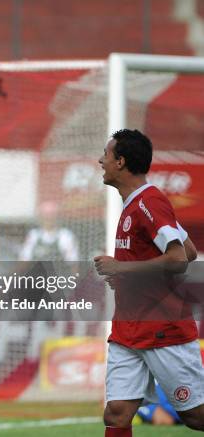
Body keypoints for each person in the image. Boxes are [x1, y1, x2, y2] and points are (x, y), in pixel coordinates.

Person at [94, 129, 204, 435]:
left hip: (162, 329)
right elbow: (191, 250)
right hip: (129, 329)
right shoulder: (137, 204)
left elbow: (179, 258)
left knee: (196, 416)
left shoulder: (149, 203)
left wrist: (124, 269)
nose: (100, 160)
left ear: (121, 162)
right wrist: (130, 276)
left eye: (106, 154)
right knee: (117, 414)